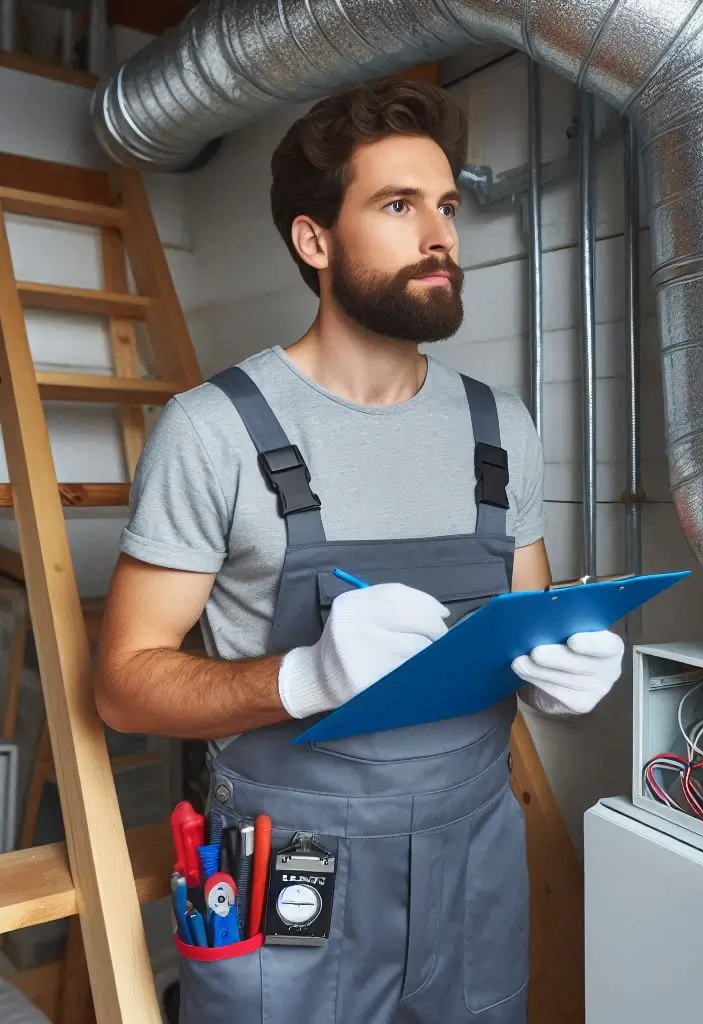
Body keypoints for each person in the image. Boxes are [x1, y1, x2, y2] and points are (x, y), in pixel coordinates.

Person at [93, 78, 625, 1023]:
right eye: (398, 205)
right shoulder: (214, 430)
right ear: (315, 240)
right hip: (299, 878)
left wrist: (558, 681)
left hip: (476, 861)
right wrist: (298, 678)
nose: (442, 236)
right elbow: (125, 685)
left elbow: (524, 622)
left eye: (448, 206)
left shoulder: (500, 428)